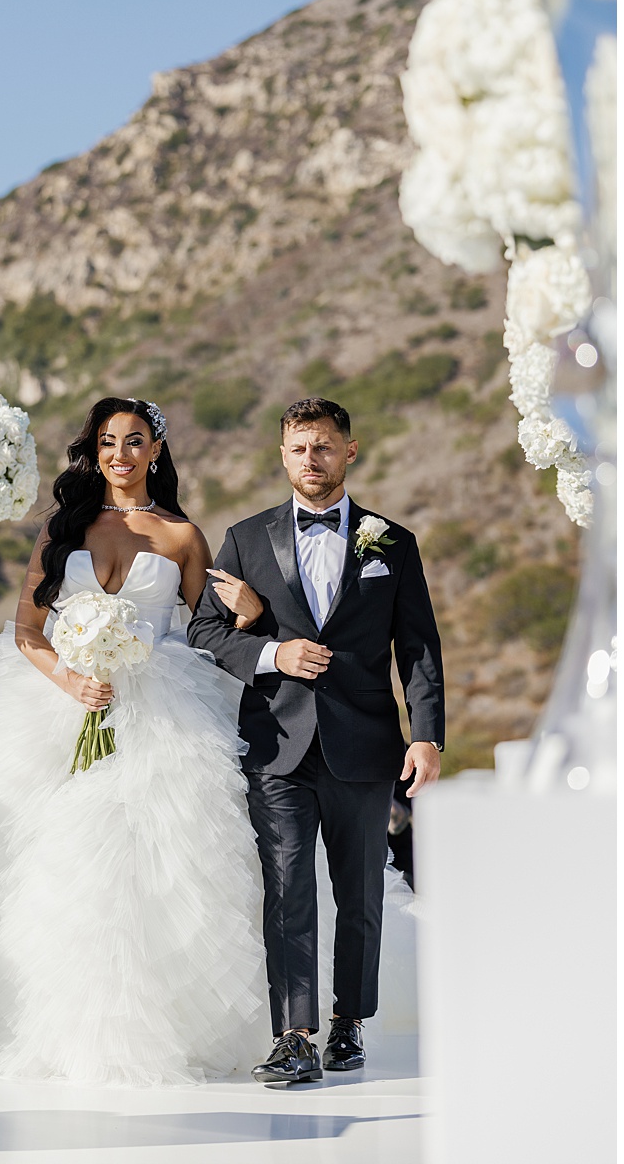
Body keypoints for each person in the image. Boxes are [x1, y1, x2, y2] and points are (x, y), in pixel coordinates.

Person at [0, 398, 268, 1084]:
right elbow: (26, 632)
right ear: (94, 450)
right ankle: (30, 1010)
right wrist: (71, 680)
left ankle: (159, 1020)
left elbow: (205, 635)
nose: (120, 454)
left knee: (151, 859)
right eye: (108, 442)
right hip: (59, 705)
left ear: (156, 452)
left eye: (135, 441)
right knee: (32, 856)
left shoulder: (182, 537)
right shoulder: (64, 528)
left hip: (163, 709)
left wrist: (251, 615)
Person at [189, 397, 443, 1084]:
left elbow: (417, 648)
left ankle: (349, 1021)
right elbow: (205, 633)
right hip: (277, 745)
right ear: (283, 455)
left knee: (359, 892)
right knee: (287, 887)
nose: (312, 459)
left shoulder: (393, 542)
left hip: (365, 746)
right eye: (300, 448)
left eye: (325, 446)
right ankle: (295, 1034)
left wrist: (427, 737)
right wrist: (274, 654)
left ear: (349, 452)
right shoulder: (244, 538)